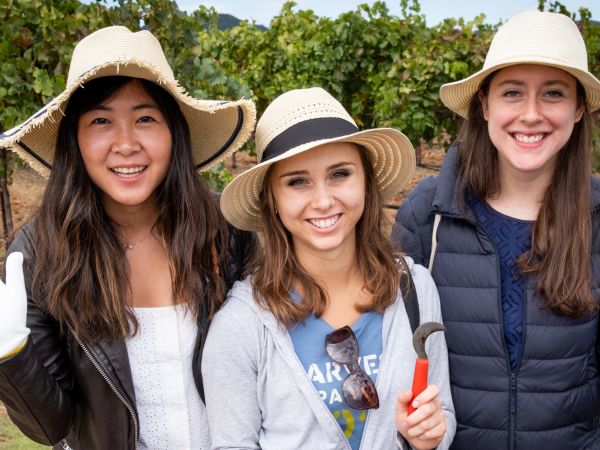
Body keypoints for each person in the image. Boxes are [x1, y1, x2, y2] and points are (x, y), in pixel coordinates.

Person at [0, 26, 256, 449]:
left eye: (145, 119)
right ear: (75, 140)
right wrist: (11, 355)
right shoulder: (42, 252)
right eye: (101, 121)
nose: (125, 143)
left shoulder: (225, 229)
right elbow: (51, 427)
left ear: (173, 132)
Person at [204, 87, 456, 450]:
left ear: (366, 183)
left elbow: (441, 412)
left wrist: (431, 434)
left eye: (340, 174)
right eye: (297, 181)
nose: (323, 200)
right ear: (272, 200)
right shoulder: (242, 326)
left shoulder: (413, 289)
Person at [392, 11, 600, 450]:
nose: (530, 114)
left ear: (578, 108)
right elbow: (396, 355)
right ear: (484, 104)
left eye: (553, 94)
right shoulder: (427, 217)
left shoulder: (596, 220)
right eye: (512, 93)